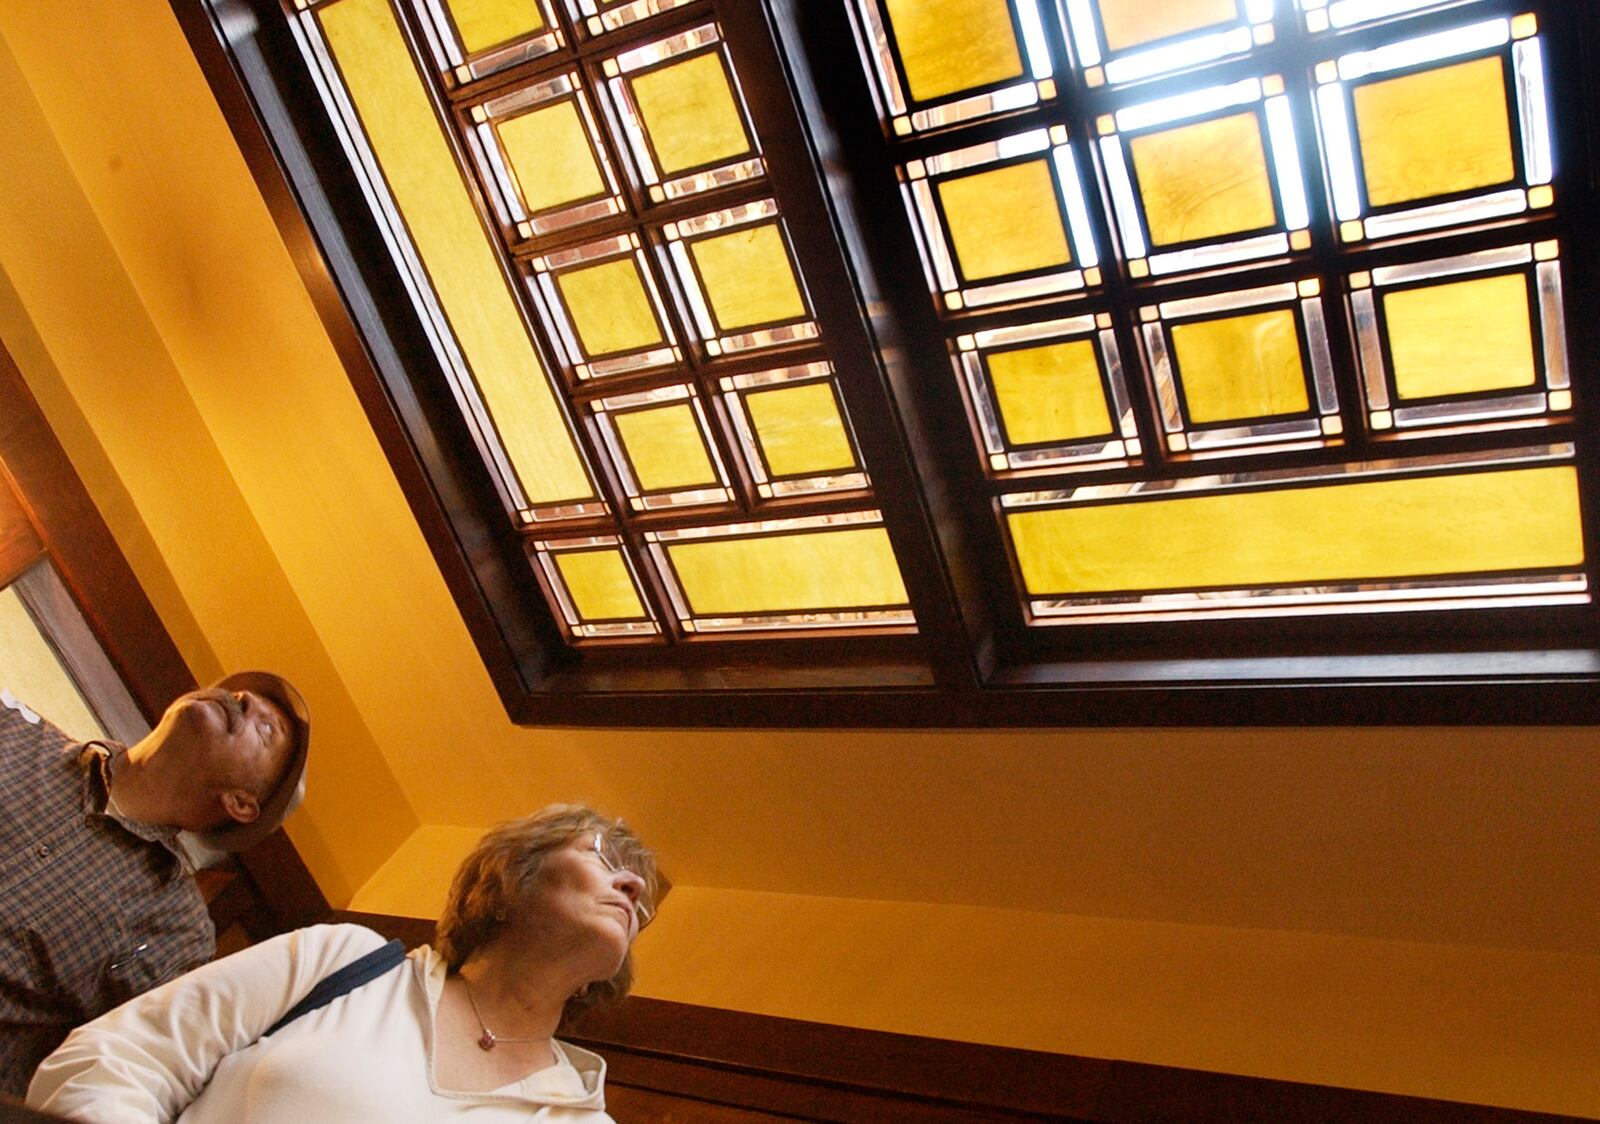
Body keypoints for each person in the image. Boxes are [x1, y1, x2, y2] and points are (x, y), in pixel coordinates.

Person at [27, 804, 663, 1122]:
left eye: (643, 899)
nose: (633, 892)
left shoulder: (578, 1118)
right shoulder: (345, 960)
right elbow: (120, 1057)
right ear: (509, 877)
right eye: (606, 859)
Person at [0, 671, 311, 1096]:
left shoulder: (179, 935)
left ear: (241, 802)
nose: (244, 700)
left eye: (265, 729)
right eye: (242, 695)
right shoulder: (15, 728)